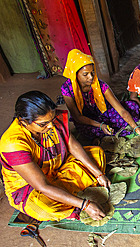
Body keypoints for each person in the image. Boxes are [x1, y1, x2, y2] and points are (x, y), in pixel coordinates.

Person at [0, 91, 111, 221]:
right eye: (43, 124)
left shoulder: (50, 118)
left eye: (52, 120)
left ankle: (70, 195)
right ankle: (73, 205)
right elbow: (42, 186)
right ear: (24, 122)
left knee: (96, 154)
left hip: (59, 168)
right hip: (33, 187)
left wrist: (98, 174)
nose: (51, 125)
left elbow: (72, 144)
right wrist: (84, 205)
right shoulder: (13, 143)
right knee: (45, 208)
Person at [61, 49, 140, 140]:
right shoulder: (67, 90)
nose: (91, 77)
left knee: (132, 107)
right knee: (92, 131)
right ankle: (104, 131)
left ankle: (107, 130)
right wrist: (100, 125)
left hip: (104, 112)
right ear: (75, 75)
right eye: (85, 74)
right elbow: (77, 117)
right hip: (86, 120)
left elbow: (121, 111)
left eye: (92, 72)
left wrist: (136, 127)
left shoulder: (100, 85)